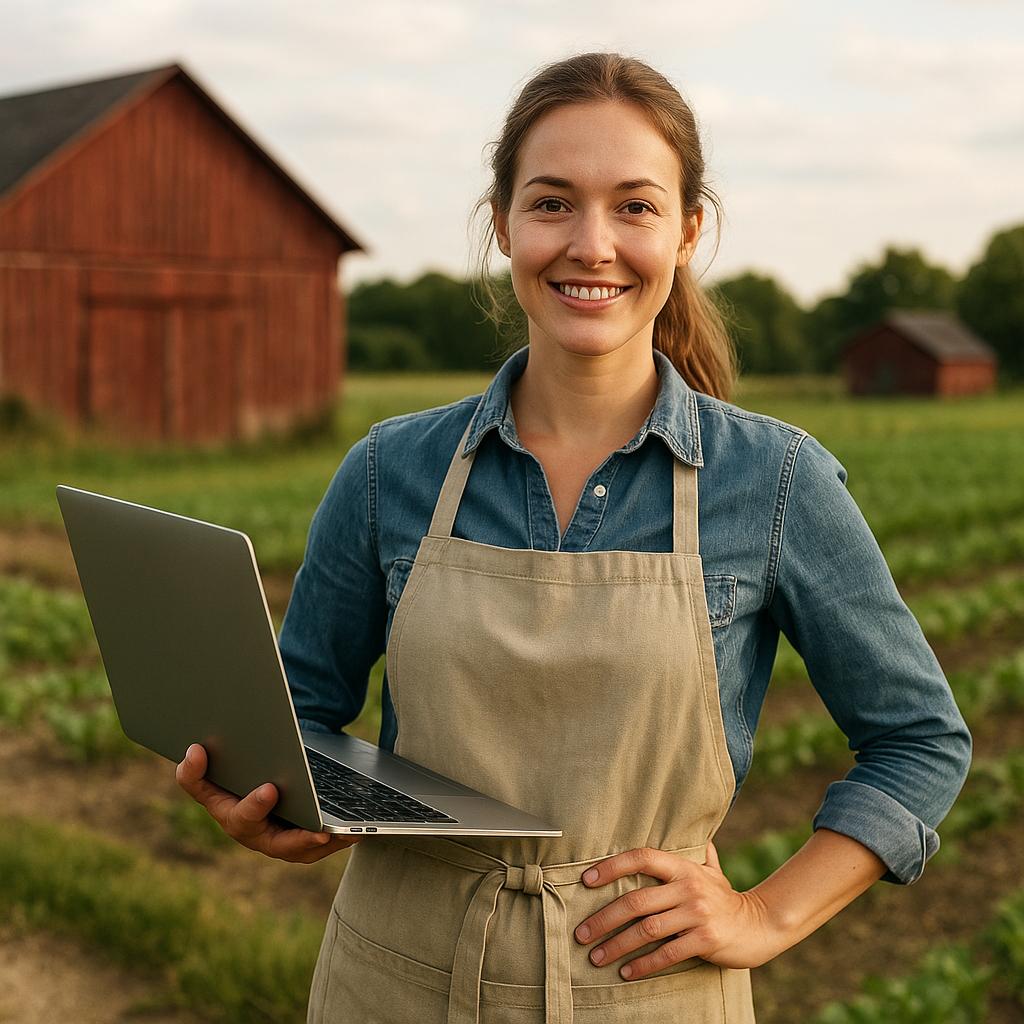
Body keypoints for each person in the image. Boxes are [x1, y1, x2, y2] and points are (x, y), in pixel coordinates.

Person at [177, 52, 971, 1023]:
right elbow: (299, 712)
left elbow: (918, 739)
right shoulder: (390, 470)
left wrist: (765, 915)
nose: (592, 245)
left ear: (687, 232)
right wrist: (275, 795)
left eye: (634, 207)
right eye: (552, 203)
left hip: (646, 991)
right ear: (503, 223)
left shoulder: (773, 482)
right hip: (391, 975)